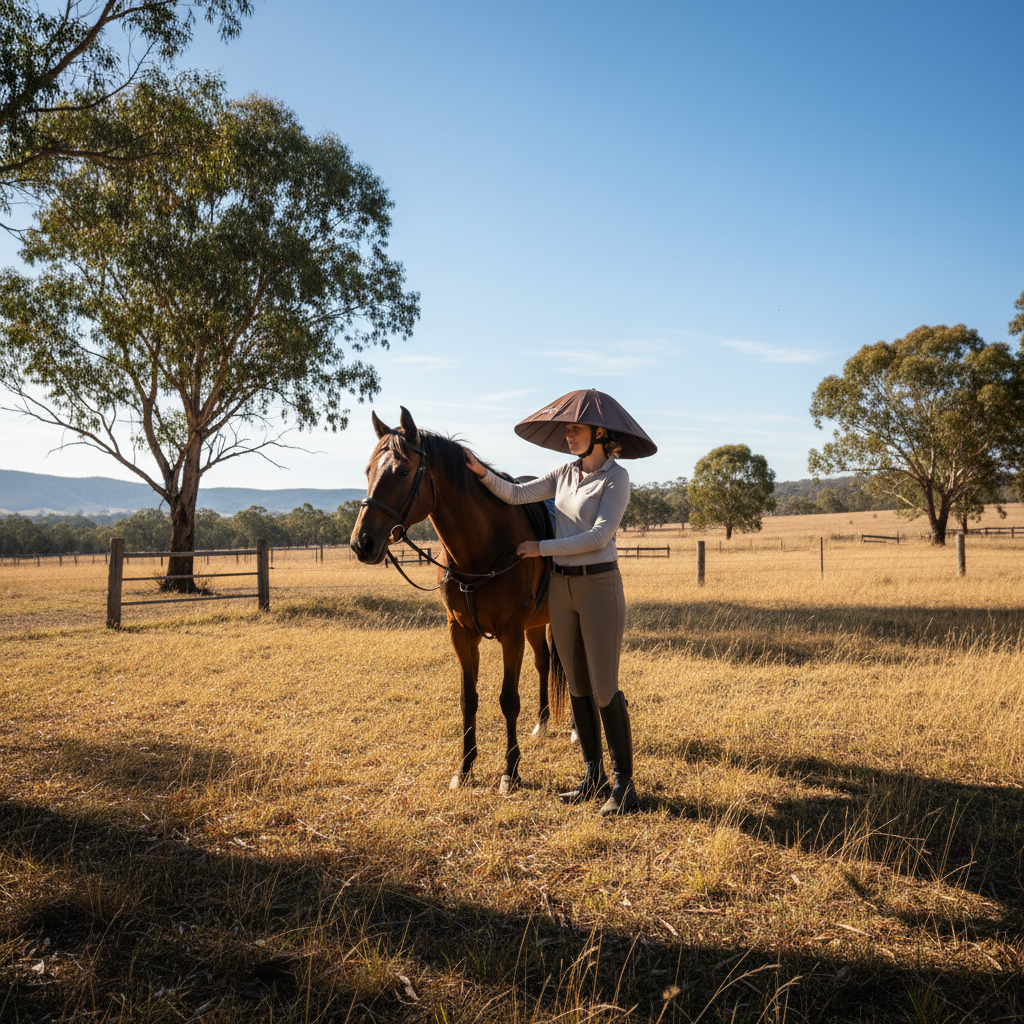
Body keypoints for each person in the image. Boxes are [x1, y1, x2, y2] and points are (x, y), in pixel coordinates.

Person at [465, 389, 657, 815]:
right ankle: (593, 777)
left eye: (575, 429)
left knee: (604, 688)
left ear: (600, 433)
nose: (568, 435)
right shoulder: (564, 473)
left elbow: (599, 537)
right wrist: (480, 472)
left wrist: (540, 548)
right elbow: (516, 494)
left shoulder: (616, 478)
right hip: (561, 589)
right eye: (566, 429)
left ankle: (624, 786)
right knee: (577, 686)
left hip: (598, 587)